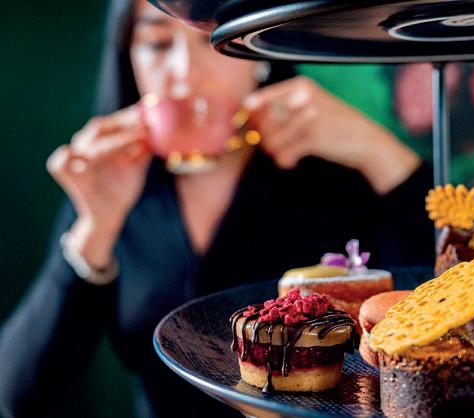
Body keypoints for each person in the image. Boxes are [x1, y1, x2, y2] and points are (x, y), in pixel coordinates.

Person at [0, 0, 434, 417]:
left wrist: (381, 155)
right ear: (128, 57)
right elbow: (20, 395)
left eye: (211, 40)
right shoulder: (108, 188)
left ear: (257, 52)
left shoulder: (332, 178)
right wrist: (94, 229)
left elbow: (437, 315)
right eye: (157, 44)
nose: (185, 73)